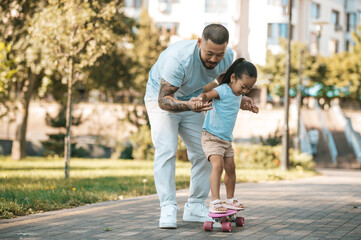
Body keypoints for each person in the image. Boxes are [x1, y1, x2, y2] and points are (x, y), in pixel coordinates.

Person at [144, 24, 257, 229]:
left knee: (205, 151)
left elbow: (226, 86)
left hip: (195, 100)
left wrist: (241, 97)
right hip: (161, 101)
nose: (214, 59)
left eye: (219, 54)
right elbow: (163, 100)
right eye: (209, 53)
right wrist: (189, 105)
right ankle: (168, 206)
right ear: (199, 43)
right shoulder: (178, 59)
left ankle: (195, 205)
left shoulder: (227, 56)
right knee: (167, 150)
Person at [194, 58, 259, 213]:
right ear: (232, 78)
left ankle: (230, 200)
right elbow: (207, 94)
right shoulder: (222, 90)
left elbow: (233, 105)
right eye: (243, 87)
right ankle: (215, 201)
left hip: (226, 139)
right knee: (218, 166)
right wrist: (199, 100)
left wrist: (249, 107)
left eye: (248, 89)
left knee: (231, 169)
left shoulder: (238, 95)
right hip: (211, 136)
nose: (244, 91)